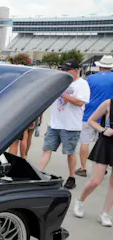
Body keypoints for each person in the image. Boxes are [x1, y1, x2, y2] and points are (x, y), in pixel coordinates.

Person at [38, 60, 90, 190]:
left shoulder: (82, 84)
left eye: (67, 70)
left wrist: (62, 94)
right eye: (63, 69)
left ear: (76, 70)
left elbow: (80, 102)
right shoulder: (60, 81)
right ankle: (38, 173)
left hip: (71, 125)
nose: (65, 72)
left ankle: (71, 177)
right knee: (47, 149)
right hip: (55, 123)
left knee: (70, 152)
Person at [73, 98, 113, 226]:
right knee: (95, 181)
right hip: (106, 144)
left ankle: (105, 213)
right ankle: (80, 201)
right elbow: (91, 120)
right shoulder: (109, 103)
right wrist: (103, 130)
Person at [76, 55, 113, 177]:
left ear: (100, 66)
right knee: (103, 142)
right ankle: (102, 167)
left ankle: (83, 168)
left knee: (84, 141)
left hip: (89, 113)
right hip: (107, 115)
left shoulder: (90, 78)